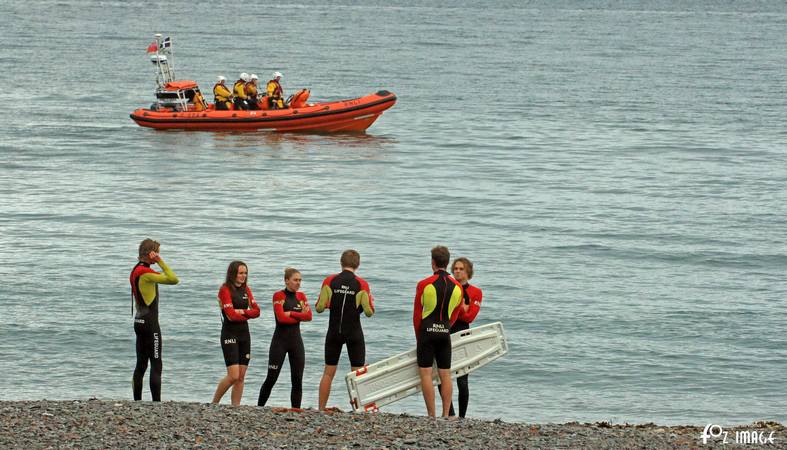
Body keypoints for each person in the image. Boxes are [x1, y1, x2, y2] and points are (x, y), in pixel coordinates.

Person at [315, 249, 375, 411]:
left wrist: (331, 303)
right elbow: (369, 312)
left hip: (334, 331)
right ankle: (359, 409)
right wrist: (368, 301)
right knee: (357, 374)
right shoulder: (362, 284)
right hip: (354, 332)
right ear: (358, 264)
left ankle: (321, 408)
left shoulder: (330, 281)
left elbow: (319, 308)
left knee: (328, 372)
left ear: (341, 263)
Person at [413, 246, 463, 417]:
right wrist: (446, 327)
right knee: (445, 374)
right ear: (448, 263)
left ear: (433, 262)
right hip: (444, 333)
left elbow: (417, 315)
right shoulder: (458, 287)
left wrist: (419, 337)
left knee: (426, 374)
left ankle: (431, 415)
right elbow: (455, 313)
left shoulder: (423, 284)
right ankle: (446, 415)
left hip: (427, 332)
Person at [129, 238, 179, 401]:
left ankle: (137, 401)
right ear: (151, 254)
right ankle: (156, 403)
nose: (159, 255)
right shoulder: (146, 273)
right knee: (156, 363)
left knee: (141, 364)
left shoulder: (136, 270)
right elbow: (173, 279)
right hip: (150, 324)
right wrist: (161, 262)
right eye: (157, 253)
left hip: (138, 322)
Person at [258, 267, 313, 408]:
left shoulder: (301, 297)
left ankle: (296, 410)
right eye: (295, 280)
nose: (298, 283)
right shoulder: (279, 295)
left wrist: (291, 313)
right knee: (271, 378)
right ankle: (259, 408)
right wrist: (299, 315)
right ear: (286, 281)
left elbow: (309, 316)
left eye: (300, 280)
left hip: (296, 343)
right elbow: (281, 319)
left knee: (297, 379)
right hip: (279, 343)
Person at [438, 257, 482, 418]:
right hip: (445, 333)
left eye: (461, 269)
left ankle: (462, 417)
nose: (457, 271)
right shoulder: (447, 287)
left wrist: (461, 310)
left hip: (463, 334)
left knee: (462, 380)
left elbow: (469, 317)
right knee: (442, 376)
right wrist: (461, 307)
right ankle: (450, 413)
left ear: (468, 272)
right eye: (455, 268)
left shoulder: (475, 292)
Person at [212, 261, 261, 406]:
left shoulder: (247, 290)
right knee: (233, 375)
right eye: (240, 273)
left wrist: (243, 312)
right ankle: (214, 403)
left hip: (244, 334)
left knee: (241, 377)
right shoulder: (225, 289)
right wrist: (246, 314)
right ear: (233, 273)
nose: (243, 276)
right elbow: (230, 316)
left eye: (245, 273)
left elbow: (257, 311)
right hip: (229, 333)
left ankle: (236, 407)